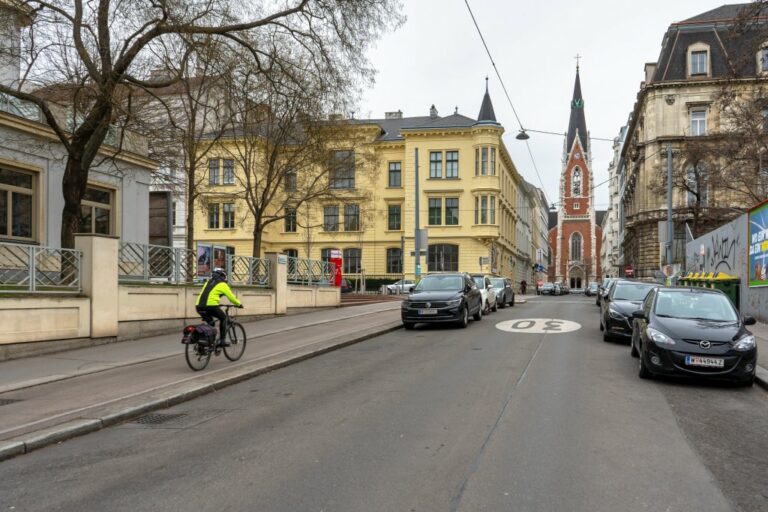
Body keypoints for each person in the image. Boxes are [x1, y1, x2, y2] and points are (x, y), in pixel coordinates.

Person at [195, 268, 242, 346]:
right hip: (211, 306)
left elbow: (209, 294)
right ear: (222, 276)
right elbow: (231, 297)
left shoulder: (208, 282)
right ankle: (222, 341)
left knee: (211, 324)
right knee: (224, 318)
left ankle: (208, 343)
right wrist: (239, 304)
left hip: (199, 306)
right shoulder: (223, 284)